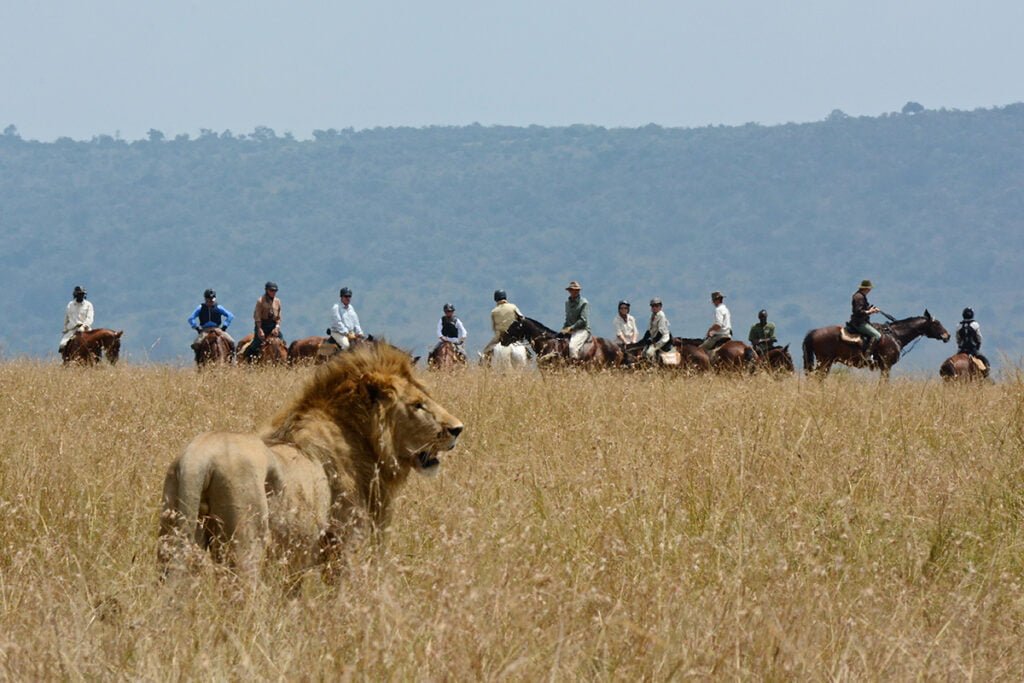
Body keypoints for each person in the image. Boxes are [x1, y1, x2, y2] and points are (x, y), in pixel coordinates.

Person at [244, 281, 283, 361]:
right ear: (266, 290)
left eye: (275, 291)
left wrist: (277, 327)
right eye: (271, 290)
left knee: (282, 341)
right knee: (256, 343)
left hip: (273, 325)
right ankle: (248, 359)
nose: (273, 292)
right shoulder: (260, 301)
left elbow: (278, 317)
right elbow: (257, 316)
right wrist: (260, 329)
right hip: (263, 325)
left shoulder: (277, 301)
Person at [188, 289, 236, 353]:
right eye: (209, 300)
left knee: (232, 342)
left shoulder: (218, 307)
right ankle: (198, 360)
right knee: (196, 344)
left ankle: (232, 360)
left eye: (212, 299)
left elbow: (230, 315)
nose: (211, 301)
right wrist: (196, 327)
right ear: (205, 299)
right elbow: (191, 318)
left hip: (217, 329)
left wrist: (225, 325)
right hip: (205, 330)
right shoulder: (200, 308)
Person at [481, 289, 524, 358]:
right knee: (526, 350)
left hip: (500, 336)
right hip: (515, 336)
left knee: (485, 351)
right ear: (505, 297)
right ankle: (528, 358)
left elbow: (494, 327)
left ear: (495, 299)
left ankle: (484, 361)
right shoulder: (513, 307)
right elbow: (522, 318)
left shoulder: (494, 311)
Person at [849, 279, 881, 357]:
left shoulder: (860, 296)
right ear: (866, 288)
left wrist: (873, 308)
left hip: (861, 321)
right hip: (859, 323)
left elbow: (865, 307)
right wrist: (870, 312)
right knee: (877, 335)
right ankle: (868, 355)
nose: (870, 290)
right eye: (869, 288)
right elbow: (858, 311)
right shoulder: (859, 297)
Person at [561, 281, 591, 360]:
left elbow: (583, 320)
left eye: (575, 290)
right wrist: (563, 329)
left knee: (572, 347)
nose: (573, 291)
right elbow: (567, 319)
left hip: (582, 330)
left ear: (578, 291)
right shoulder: (567, 303)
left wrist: (571, 327)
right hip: (570, 329)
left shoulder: (584, 302)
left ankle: (575, 368)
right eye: (571, 290)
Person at [60, 285, 94, 353]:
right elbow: (67, 318)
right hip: (73, 329)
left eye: (82, 294)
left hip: (86, 329)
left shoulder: (88, 305)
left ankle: (97, 360)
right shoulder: (70, 305)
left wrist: (84, 325)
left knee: (95, 345)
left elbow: (90, 317)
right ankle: (66, 360)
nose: (81, 296)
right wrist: (65, 328)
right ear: (75, 294)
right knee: (62, 345)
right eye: (79, 294)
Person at [329, 287, 364, 351]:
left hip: (351, 333)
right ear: (341, 297)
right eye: (346, 296)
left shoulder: (351, 308)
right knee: (346, 345)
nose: (348, 298)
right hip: (338, 333)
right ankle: (340, 360)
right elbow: (337, 323)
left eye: (349, 296)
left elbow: (356, 323)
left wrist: (360, 333)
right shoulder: (336, 307)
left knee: (361, 345)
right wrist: (347, 333)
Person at [645, 298, 671, 362]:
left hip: (662, 338)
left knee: (649, 352)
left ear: (660, 307)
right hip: (655, 337)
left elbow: (660, 331)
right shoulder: (653, 315)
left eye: (656, 306)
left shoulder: (661, 316)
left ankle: (653, 366)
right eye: (653, 306)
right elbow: (649, 330)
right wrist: (644, 340)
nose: (654, 307)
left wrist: (654, 340)